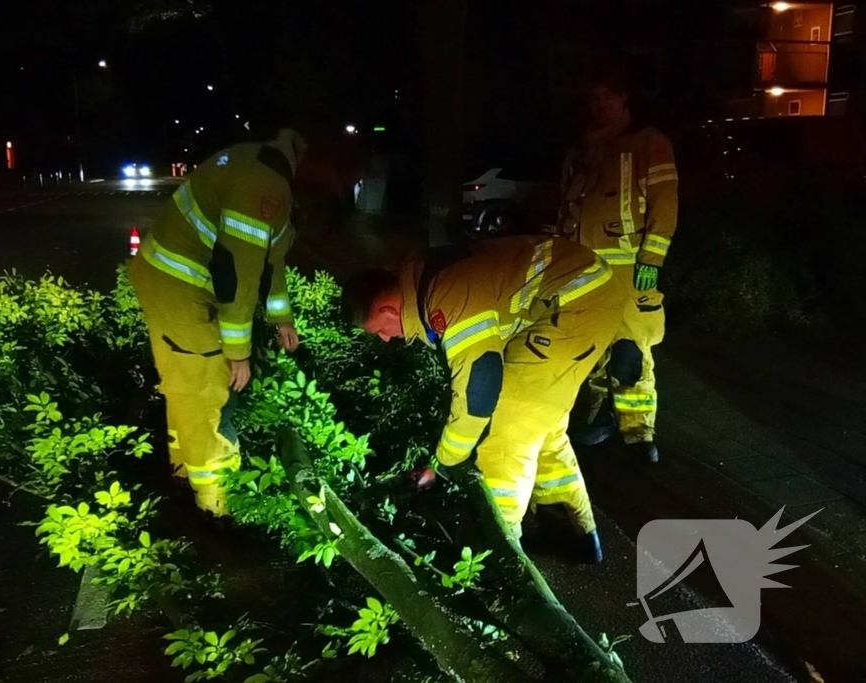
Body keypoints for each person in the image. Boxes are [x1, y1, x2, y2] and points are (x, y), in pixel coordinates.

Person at [341, 236, 627, 563]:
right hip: (578, 295)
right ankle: (570, 530)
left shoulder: (448, 300)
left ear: (388, 309)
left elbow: (478, 393)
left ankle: (498, 559)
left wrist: (445, 463)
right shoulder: (422, 281)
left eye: (381, 329)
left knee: (510, 428)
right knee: (540, 422)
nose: (387, 339)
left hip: (578, 304)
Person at [130, 129, 305, 516]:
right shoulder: (265, 186)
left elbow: (270, 264)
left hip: (170, 278)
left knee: (185, 384)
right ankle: (220, 507)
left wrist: (282, 319)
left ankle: (180, 470)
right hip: (181, 285)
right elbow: (239, 278)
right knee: (209, 390)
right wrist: (237, 354)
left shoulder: (264, 167)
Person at [559, 69, 679, 463]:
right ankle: (593, 421)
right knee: (589, 351)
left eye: (607, 97)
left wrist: (652, 260)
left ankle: (638, 434)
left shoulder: (649, 144)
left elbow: (665, 205)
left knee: (630, 354)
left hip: (630, 271)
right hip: (585, 272)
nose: (599, 105)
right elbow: (568, 209)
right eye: (593, 98)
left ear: (625, 99)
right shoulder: (581, 150)